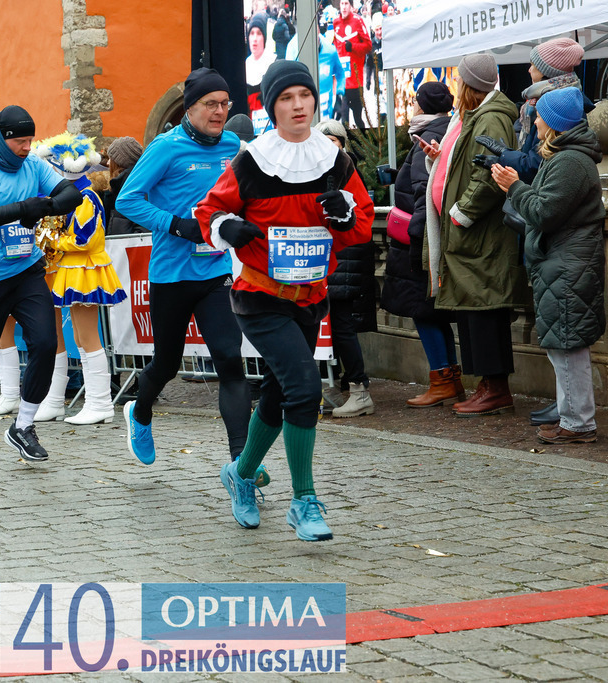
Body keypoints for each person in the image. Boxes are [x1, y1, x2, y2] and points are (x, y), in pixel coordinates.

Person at [197, 59, 373, 540]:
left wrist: (343, 213)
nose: (298, 106)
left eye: (305, 97)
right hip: (258, 295)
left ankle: (241, 474)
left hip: (310, 296)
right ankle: (304, 501)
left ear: (315, 101)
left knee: (279, 390)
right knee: (304, 388)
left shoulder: (334, 160)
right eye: (286, 99)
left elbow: (360, 223)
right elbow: (209, 209)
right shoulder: (252, 161)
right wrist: (226, 227)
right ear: (272, 107)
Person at [117, 67, 252, 466]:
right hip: (171, 274)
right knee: (168, 363)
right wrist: (176, 225)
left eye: (224, 104)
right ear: (189, 108)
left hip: (215, 272)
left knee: (229, 358)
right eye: (210, 104)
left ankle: (241, 464)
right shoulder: (166, 147)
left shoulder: (232, 145)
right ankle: (139, 412)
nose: (219, 111)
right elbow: (128, 199)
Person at [0, 105, 84, 465]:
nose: (26, 148)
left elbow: (72, 195)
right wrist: (22, 208)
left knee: (45, 342)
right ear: (1, 138)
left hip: (26, 270)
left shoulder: (33, 166)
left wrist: (42, 207)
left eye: (30, 140)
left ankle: (23, 426)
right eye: (20, 142)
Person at [492, 88, 605, 444]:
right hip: (563, 264)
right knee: (564, 344)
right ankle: (573, 418)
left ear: (555, 123)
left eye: (540, 116)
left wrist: (514, 187)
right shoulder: (565, 157)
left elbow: (544, 212)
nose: (535, 121)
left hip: (567, 264)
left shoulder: (570, 161)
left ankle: (578, 423)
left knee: (568, 346)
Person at [420, 54, 527, 417]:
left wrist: (462, 214)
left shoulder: (492, 116)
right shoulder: (475, 114)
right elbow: (466, 164)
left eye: (459, 79)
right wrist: (438, 157)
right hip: (469, 235)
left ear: (470, 84)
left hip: (479, 234)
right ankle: (487, 385)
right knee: (473, 309)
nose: (456, 85)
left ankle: (495, 389)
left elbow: (490, 172)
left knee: (484, 310)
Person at [33, 133, 126, 424]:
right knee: (79, 337)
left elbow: (85, 239)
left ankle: (100, 404)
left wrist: (53, 242)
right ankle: (93, 403)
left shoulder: (85, 198)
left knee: (88, 337)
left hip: (83, 269)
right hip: (73, 269)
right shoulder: (74, 196)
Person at [382, 81, 463, 408]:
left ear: (422, 105)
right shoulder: (447, 129)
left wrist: (417, 243)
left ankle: (441, 378)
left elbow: (422, 195)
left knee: (424, 313)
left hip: (418, 241)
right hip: (433, 237)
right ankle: (451, 380)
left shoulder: (427, 136)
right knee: (435, 313)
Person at [315, 119, 377, 418]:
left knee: (341, 326)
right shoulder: (324, 168)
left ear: (342, 143)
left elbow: (358, 218)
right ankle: (342, 386)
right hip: (335, 260)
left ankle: (358, 389)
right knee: (335, 327)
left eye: (333, 140)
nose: (328, 146)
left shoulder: (342, 169)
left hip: (343, 260)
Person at [474, 38, 587, 186]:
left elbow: (537, 164)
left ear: (547, 70)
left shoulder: (558, 106)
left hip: (538, 193)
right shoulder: (537, 101)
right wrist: (507, 155)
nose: (529, 69)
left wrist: (505, 155)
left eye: (533, 65)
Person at [333, 0, 371, 129]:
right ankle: (345, 147)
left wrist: (353, 47)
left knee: (358, 118)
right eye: (342, 3)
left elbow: (368, 45)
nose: (343, 7)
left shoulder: (357, 21)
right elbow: (334, 49)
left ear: (351, 6)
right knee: (344, 121)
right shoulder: (335, 22)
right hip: (342, 81)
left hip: (356, 81)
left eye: (346, 4)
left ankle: (362, 146)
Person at [103, 137, 145, 236]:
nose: (108, 163)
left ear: (121, 162)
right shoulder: (120, 186)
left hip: (127, 249)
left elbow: (143, 232)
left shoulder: (135, 189)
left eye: (111, 159)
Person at [245, 12, 274, 131]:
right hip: (252, 127)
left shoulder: (273, 62)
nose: (255, 39)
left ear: (264, 37)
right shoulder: (245, 65)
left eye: (259, 33)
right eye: (252, 34)